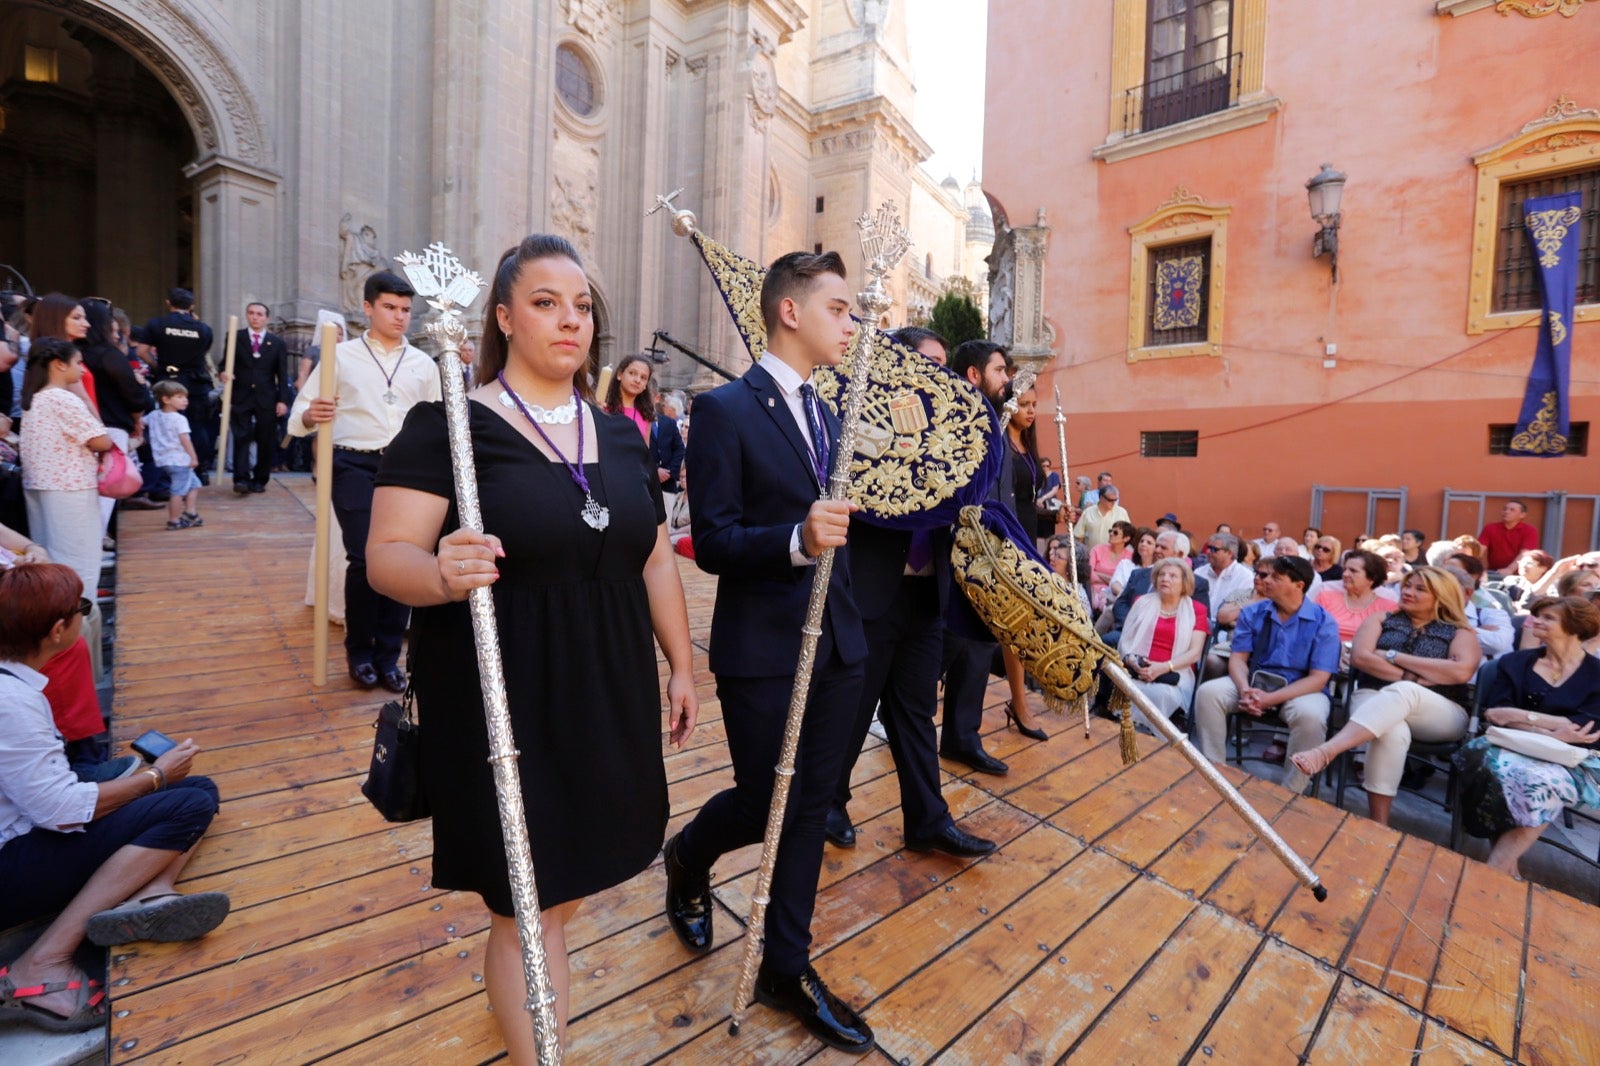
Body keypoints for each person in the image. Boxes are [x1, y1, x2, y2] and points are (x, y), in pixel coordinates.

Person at [366, 234, 695, 1058]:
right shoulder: (450, 424)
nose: (570, 320)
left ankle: (521, 1006)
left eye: (582, 306)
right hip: (501, 698)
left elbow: (652, 554)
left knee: (562, 893)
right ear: (505, 318)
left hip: (608, 689)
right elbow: (385, 558)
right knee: (525, 905)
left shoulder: (622, 435)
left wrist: (684, 664)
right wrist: (440, 572)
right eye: (547, 303)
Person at [663, 249, 875, 1054]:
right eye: (839, 308)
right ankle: (688, 856)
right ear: (791, 311)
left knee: (809, 812)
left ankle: (784, 965)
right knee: (765, 804)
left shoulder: (832, 414)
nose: (850, 323)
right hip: (763, 651)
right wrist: (795, 538)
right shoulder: (725, 410)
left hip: (840, 649)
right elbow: (710, 540)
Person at [0, 564, 227, 1033]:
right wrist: (156, 778)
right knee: (187, 802)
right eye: (81, 609)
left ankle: (146, 891)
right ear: (59, 630)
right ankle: (44, 961)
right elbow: (60, 811)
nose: (85, 616)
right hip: (9, 866)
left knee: (196, 789)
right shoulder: (14, 702)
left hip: (18, 826)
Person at [289, 272, 439, 694]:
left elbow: (438, 420)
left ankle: (390, 657)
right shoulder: (342, 357)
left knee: (404, 558)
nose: (399, 316)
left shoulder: (423, 365)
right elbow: (299, 416)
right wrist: (309, 415)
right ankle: (359, 652)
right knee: (365, 558)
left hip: (408, 471)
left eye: (406, 309)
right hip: (353, 463)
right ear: (368, 307)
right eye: (390, 307)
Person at [1291, 566, 1481, 825]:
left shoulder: (1460, 631)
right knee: (1392, 729)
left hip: (1441, 710)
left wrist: (1393, 656)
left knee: (1405, 692)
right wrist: (1419, 675)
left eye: (1419, 588)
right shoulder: (1381, 619)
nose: (1408, 592)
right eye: (1407, 585)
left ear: (1441, 596)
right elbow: (1361, 658)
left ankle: (1326, 752)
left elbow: (1460, 672)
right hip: (1372, 695)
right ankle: (1378, 824)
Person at [1455, 596, 1600, 877]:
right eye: (1537, 615)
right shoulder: (1515, 663)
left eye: (1548, 618)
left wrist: (1519, 716)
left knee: (1541, 783)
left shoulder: (1598, 675)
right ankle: (1505, 871)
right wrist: (1547, 727)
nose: (1535, 621)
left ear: (1574, 626)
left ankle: (1494, 871)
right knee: (1499, 771)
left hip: (1571, 760)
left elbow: (1588, 729)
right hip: (1509, 745)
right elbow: (1496, 714)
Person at [1193, 554, 1340, 794]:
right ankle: (1215, 772)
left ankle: (1291, 791)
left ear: (1299, 585)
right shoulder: (1253, 612)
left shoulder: (1323, 622)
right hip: (1254, 681)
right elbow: (1238, 659)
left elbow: (1319, 678)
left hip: (1300, 688)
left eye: (1276, 577)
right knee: (1209, 693)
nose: (1266, 581)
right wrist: (1245, 691)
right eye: (1266, 575)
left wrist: (1269, 699)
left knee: (1312, 716)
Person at [939, 338, 1018, 776]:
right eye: (999, 370)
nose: (1006, 379)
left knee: (978, 647)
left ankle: (961, 738)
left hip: (992, 557)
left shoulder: (997, 423)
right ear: (974, 375)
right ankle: (897, 723)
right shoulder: (957, 423)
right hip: (956, 555)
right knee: (938, 651)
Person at [18, 340, 113, 594]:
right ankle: (80, 619)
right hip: (71, 486)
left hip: (41, 483)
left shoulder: (34, 398)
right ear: (60, 364)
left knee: (52, 555)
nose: (82, 370)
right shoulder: (62, 398)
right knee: (79, 560)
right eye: (78, 362)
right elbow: (101, 440)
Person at [1117, 558, 1210, 733]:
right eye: (1161, 574)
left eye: (1173, 576)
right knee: (1120, 685)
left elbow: (1195, 653)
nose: (1165, 579)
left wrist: (1163, 667)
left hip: (1175, 672)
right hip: (1137, 668)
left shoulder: (1197, 609)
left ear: (1184, 583)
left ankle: (1152, 741)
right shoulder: (1142, 601)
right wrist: (1132, 661)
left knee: (1159, 694)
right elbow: (1126, 640)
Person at [142, 288, 217, 478]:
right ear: (191, 306)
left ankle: (167, 473)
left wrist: (158, 366)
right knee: (197, 426)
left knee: (166, 426)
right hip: (196, 383)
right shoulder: (203, 328)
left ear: (168, 303)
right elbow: (204, 351)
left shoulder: (157, 324)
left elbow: (142, 351)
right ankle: (200, 470)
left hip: (168, 382)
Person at [225, 302, 291, 494]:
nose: (255, 317)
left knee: (265, 438)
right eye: (251, 313)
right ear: (247, 315)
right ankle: (241, 479)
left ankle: (260, 479)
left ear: (266, 318)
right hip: (241, 396)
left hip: (267, 398)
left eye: (259, 314)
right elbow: (225, 364)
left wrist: (282, 400)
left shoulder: (277, 343)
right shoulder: (235, 337)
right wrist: (224, 373)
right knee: (241, 436)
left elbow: (282, 373)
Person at [147, 382, 204, 531]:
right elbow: (185, 440)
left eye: (185, 397)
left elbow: (141, 422)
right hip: (180, 460)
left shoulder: (153, 415)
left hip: (164, 459)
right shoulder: (179, 419)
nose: (185, 400)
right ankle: (174, 520)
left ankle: (191, 512)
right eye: (179, 397)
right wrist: (194, 457)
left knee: (194, 484)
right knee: (177, 491)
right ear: (166, 399)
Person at [1313, 548, 1397, 644]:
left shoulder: (1388, 607)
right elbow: (1311, 631)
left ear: (1372, 578)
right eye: (1345, 569)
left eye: (1353, 571)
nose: (1345, 574)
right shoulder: (1325, 598)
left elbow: (1390, 642)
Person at [1196, 532, 1253, 612]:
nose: (1208, 552)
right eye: (1208, 547)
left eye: (1214, 549)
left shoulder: (1245, 576)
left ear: (1229, 553)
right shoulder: (1199, 572)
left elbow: (1242, 608)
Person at [1480, 500, 1539, 575]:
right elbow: (1479, 550)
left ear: (1522, 515)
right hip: (1494, 572)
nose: (1506, 512)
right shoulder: (1490, 528)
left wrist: (1510, 569)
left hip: (1519, 575)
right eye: (1505, 509)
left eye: (1512, 510)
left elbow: (1525, 553)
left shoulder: (1530, 530)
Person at [1088, 519, 1134, 611]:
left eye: (1115, 532)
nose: (1111, 534)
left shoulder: (1130, 557)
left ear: (1126, 538)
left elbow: (1125, 583)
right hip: (1092, 592)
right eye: (1110, 531)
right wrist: (1113, 579)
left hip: (1114, 596)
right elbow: (1088, 574)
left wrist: (1098, 573)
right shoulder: (1097, 549)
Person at [1108, 525, 1157, 604]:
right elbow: (1115, 584)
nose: (1143, 544)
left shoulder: (1157, 569)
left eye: (1149, 543)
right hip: (1122, 602)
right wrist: (1127, 597)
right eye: (1141, 541)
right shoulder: (1126, 564)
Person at [1073, 483, 1128, 549]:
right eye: (1110, 500)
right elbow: (1079, 536)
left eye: (1115, 500)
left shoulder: (1122, 512)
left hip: (1114, 557)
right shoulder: (1088, 512)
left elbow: (1128, 535)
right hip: (1092, 556)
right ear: (1101, 498)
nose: (1113, 503)